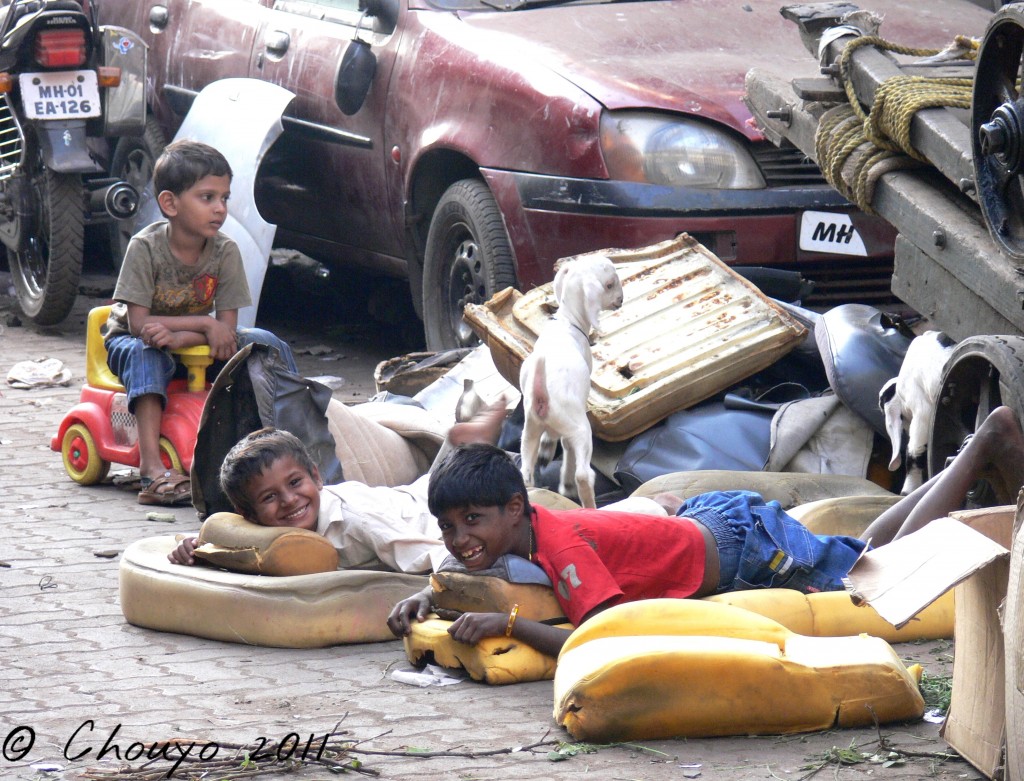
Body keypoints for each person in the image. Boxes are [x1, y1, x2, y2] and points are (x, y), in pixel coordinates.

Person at [387, 405, 1024, 658]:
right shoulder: (517, 535)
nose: (460, 538)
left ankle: (985, 444)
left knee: (880, 570)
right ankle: (975, 457)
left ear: (515, 509)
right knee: (866, 552)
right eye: (447, 527)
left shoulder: (554, 543)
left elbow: (601, 634)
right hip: (715, 529)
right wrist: (425, 598)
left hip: (746, 548)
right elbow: (469, 572)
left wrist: (506, 627)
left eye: (472, 521)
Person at [104, 139, 297, 506]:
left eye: (224, 197)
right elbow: (138, 323)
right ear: (170, 203)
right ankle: (151, 470)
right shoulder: (145, 248)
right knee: (148, 354)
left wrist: (191, 334)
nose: (219, 208)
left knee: (262, 341)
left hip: (188, 341)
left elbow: (226, 328)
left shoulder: (225, 251)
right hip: (131, 340)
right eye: (206, 197)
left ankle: (290, 435)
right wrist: (204, 327)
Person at [167, 399, 512, 572]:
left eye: (296, 482)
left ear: (317, 477)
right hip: (405, 496)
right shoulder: (267, 531)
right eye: (270, 497)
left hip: (423, 512)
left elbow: (420, 551)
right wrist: (195, 548)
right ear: (248, 513)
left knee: (476, 484)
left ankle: (471, 444)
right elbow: (230, 538)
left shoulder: (353, 520)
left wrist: (469, 575)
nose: (289, 500)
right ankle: (464, 445)